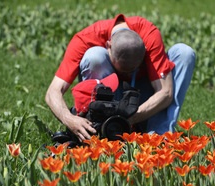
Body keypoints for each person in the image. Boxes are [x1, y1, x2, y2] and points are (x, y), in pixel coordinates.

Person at [45, 14, 196, 142]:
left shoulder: (149, 35)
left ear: (144, 49)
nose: (127, 74)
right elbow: (53, 92)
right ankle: (100, 131)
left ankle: (157, 136)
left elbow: (166, 92)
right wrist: (70, 120)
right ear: (108, 45)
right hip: (112, 96)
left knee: (184, 53)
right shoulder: (85, 39)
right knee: (94, 56)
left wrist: (132, 117)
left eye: (133, 69)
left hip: (146, 99)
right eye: (122, 69)